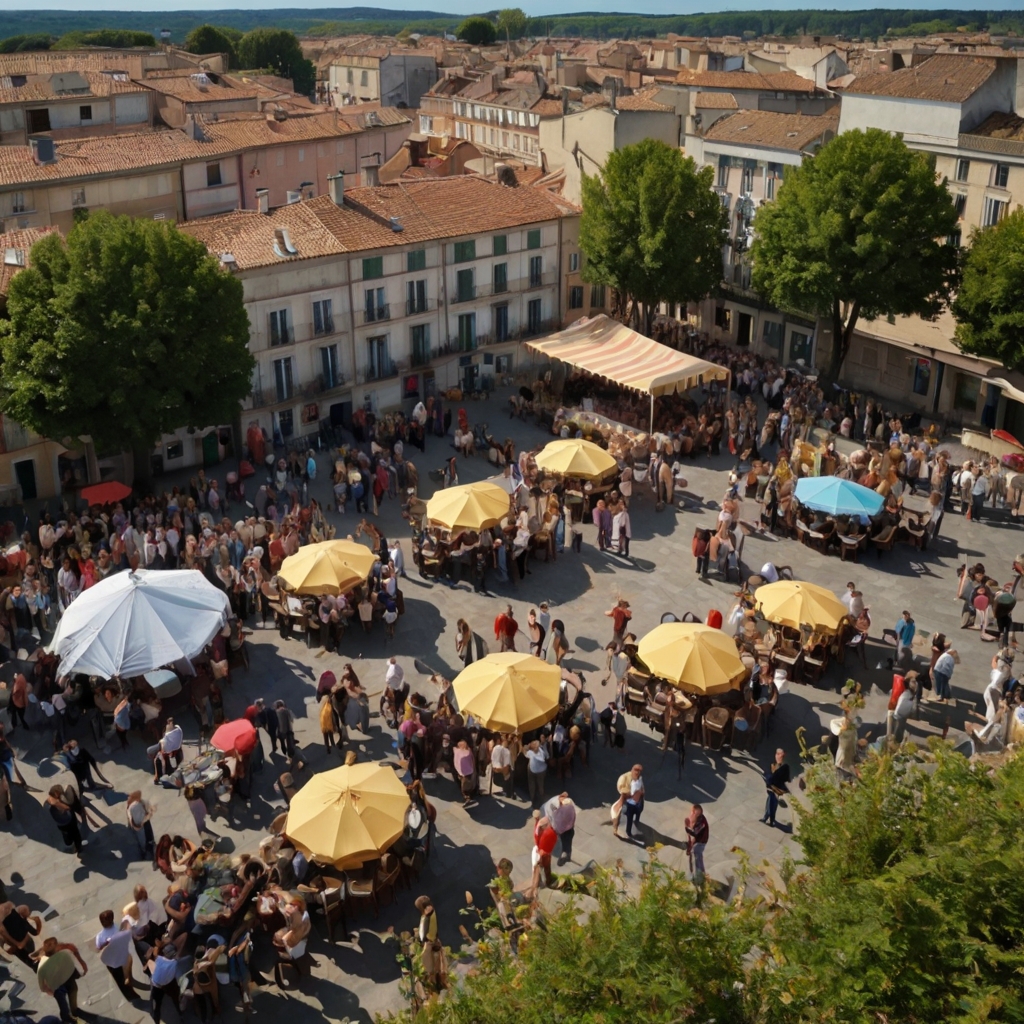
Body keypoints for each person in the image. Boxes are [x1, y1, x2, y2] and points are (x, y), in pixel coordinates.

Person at [35, 935, 88, 1024]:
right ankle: (74, 1016)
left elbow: (42, 987)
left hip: (57, 989)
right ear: (56, 947)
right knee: (72, 1007)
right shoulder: (64, 955)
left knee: (64, 1009)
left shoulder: (42, 966)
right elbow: (75, 970)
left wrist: (50, 990)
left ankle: (70, 1018)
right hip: (70, 984)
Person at [95, 909, 138, 1001]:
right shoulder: (112, 930)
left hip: (117, 960)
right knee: (123, 976)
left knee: (124, 978)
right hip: (118, 959)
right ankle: (130, 990)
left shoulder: (107, 933)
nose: (104, 922)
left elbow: (99, 949)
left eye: (105, 920)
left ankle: (131, 993)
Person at [47, 785, 87, 855]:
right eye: (60, 793)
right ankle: (78, 847)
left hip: (61, 823)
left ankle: (73, 844)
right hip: (67, 821)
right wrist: (65, 806)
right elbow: (66, 807)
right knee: (75, 834)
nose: (60, 795)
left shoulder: (49, 799)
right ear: (56, 792)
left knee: (67, 834)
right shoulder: (54, 801)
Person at [542, 792, 576, 865]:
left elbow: (572, 816)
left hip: (567, 827)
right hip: (562, 826)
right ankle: (565, 854)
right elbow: (552, 819)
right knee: (565, 841)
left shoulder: (568, 805)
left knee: (568, 840)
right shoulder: (553, 806)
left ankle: (567, 855)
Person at [761, 748, 791, 828]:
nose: (777, 756)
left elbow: (783, 779)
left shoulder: (785, 767)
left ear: (783, 756)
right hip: (771, 788)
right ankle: (768, 818)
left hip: (777, 789)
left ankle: (770, 820)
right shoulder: (774, 764)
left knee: (772, 803)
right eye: (776, 754)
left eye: (779, 754)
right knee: (770, 802)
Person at [126, 790, 154, 862]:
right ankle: (144, 851)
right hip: (140, 824)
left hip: (143, 822)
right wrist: (135, 826)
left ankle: (147, 849)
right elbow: (131, 818)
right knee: (142, 839)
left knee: (146, 837)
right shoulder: (133, 806)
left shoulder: (138, 803)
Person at [684, 803, 709, 880]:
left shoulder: (701, 823)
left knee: (697, 859)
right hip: (698, 840)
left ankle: (699, 877)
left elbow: (694, 833)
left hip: (700, 843)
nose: (691, 813)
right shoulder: (698, 818)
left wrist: (686, 827)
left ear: (696, 813)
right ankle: (696, 875)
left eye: (692, 812)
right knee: (695, 858)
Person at [622, 763, 645, 841]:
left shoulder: (640, 779)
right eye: (636, 770)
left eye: (639, 771)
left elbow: (642, 787)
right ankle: (628, 832)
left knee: (638, 813)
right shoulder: (629, 780)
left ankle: (637, 823)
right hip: (630, 803)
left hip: (638, 802)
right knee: (630, 818)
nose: (637, 772)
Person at [526, 739, 548, 805]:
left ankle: (533, 798)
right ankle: (542, 798)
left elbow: (524, 752)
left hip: (533, 770)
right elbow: (547, 755)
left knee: (532, 784)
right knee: (540, 784)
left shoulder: (530, 752)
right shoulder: (541, 751)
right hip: (541, 770)